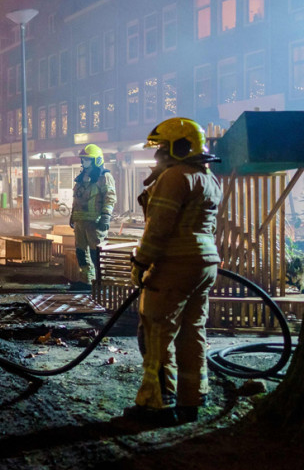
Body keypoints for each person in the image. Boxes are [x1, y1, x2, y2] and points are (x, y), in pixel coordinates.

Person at [126, 117, 221, 426]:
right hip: (205, 265)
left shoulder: (174, 177)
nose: (157, 157)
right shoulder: (208, 178)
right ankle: (192, 399)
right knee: (193, 331)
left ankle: (158, 405)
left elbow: (159, 228)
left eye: (162, 149)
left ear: (179, 148)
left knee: (158, 332)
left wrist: (140, 262)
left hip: (173, 266)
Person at [68, 144, 116, 290]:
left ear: (97, 160)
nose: (84, 162)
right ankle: (86, 281)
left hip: (95, 222)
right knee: (81, 252)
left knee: (97, 254)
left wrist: (106, 216)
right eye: (83, 159)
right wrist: (72, 215)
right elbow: (77, 198)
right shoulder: (82, 177)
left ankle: (103, 283)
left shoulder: (104, 177)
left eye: (87, 159)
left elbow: (110, 197)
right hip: (80, 221)